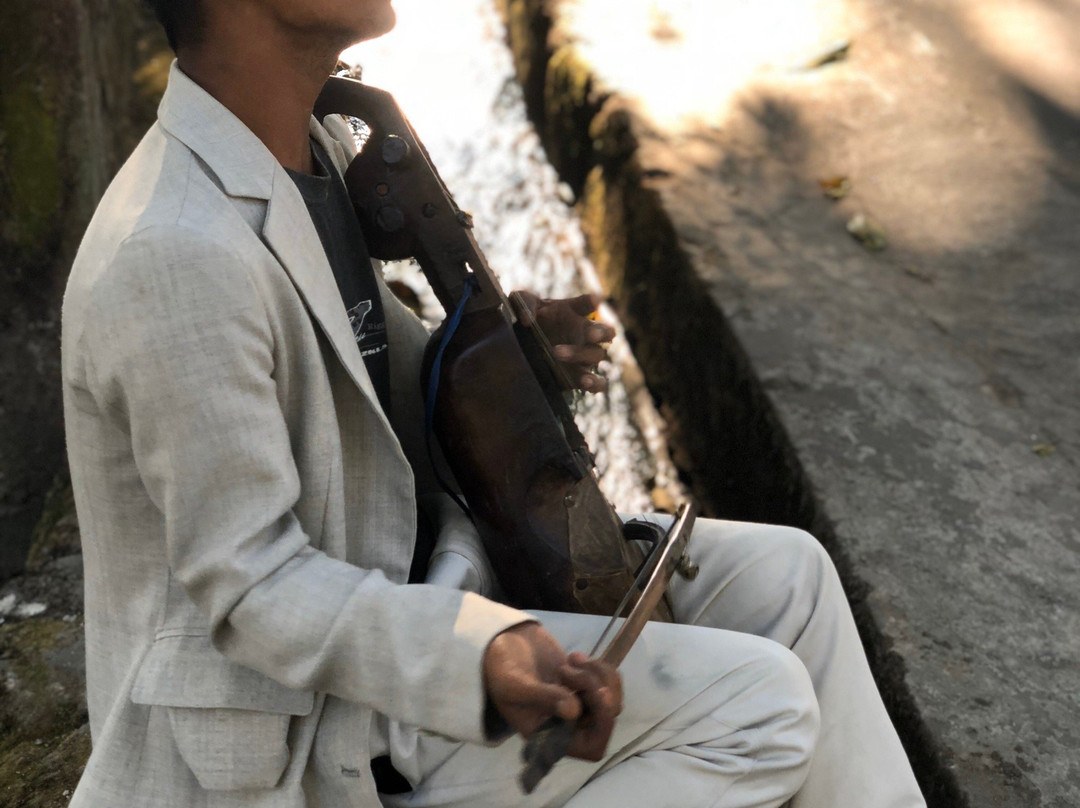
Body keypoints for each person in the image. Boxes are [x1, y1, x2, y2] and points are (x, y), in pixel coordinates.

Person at [60, 0, 928, 806]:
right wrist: (476, 653)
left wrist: (503, 366)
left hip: (433, 579)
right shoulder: (172, 251)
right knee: (760, 710)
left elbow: (376, 397)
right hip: (311, 728)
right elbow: (253, 585)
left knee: (794, 579)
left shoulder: (308, 150)